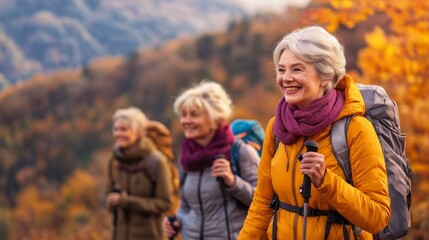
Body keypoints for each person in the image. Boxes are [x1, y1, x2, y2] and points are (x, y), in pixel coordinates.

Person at [238, 26, 391, 240]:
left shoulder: (355, 129)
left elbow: (378, 217)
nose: (286, 78)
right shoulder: (277, 127)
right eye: (281, 70)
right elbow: (261, 204)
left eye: (297, 69)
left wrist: (325, 180)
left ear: (325, 76)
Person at [162, 80, 260, 240]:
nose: (185, 121)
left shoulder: (240, 152)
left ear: (215, 118)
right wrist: (176, 222)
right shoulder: (187, 157)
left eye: (194, 115)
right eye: (183, 115)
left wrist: (232, 182)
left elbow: (263, 203)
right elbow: (186, 205)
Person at [105, 107, 173, 240]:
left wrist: (127, 202)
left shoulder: (156, 161)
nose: (118, 134)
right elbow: (108, 200)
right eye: (116, 129)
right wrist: (111, 202)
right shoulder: (114, 162)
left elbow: (165, 203)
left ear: (139, 133)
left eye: (124, 129)